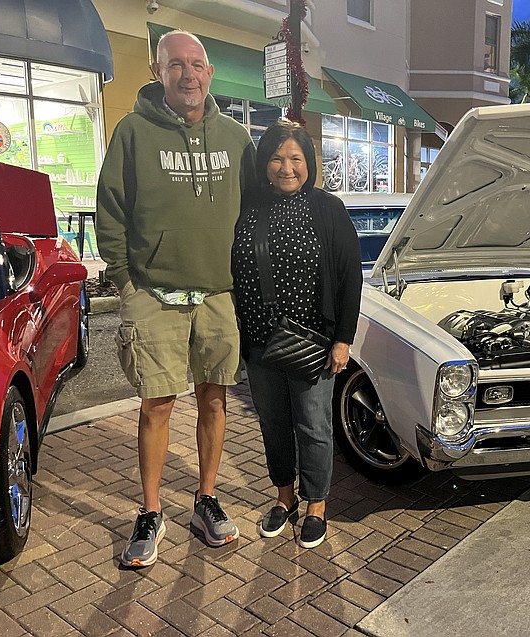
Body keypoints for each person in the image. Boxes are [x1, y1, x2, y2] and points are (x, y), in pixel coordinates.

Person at [96, 30, 257, 567]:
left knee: (214, 399)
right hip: (154, 293)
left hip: (218, 294)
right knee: (156, 405)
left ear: (210, 74)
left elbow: (256, 214)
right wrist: (124, 282)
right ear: (157, 72)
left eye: (196, 65)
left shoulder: (236, 138)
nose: (187, 74)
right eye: (175, 66)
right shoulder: (132, 132)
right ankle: (150, 511)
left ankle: (205, 498)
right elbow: (112, 209)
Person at [232, 121, 362, 549]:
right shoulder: (250, 207)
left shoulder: (328, 209)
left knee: (313, 425)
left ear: (309, 164)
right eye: (276, 158)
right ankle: (284, 498)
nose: (286, 168)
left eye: (295, 159)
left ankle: (316, 505)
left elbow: (350, 278)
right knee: (273, 424)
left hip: (314, 343)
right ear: (263, 164)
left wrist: (343, 339)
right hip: (259, 340)